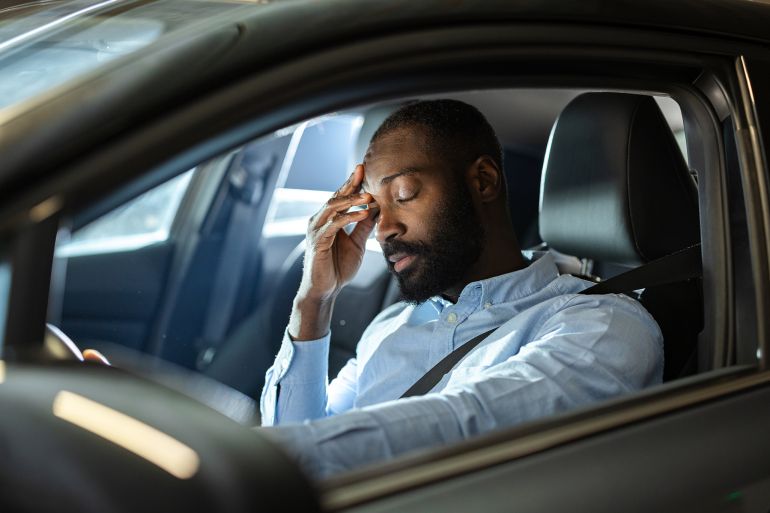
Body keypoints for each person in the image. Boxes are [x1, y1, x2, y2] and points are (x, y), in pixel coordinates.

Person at [259, 100, 663, 479]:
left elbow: (471, 423)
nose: (383, 231)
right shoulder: (388, 326)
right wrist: (314, 299)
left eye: (404, 195)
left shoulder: (603, 324)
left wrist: (248, 462)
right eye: (376, 211)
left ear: (483, 181)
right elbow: (300, 448)